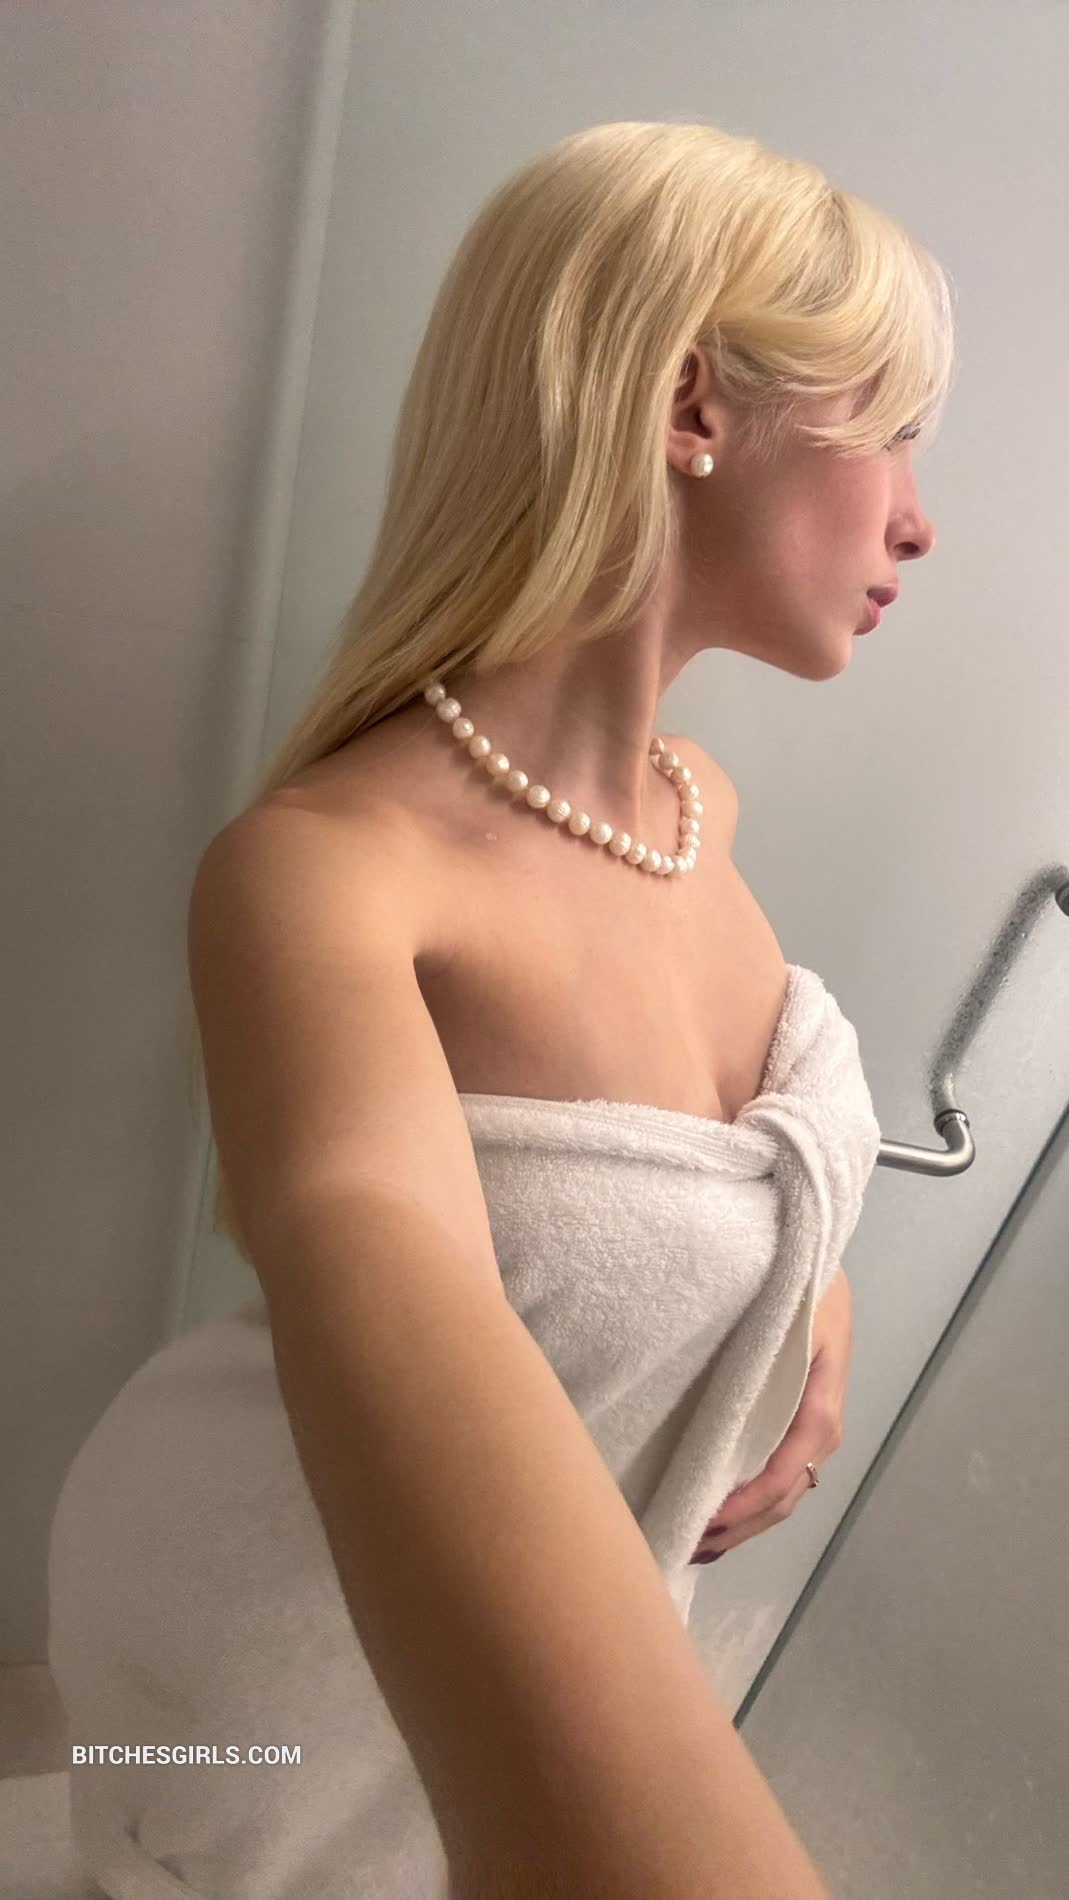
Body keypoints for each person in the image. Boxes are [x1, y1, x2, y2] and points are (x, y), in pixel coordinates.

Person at [48, 118, 951, 1898]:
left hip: (552, 1620)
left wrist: (810, 1292)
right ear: (689, 406)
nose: (918, 520)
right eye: (895, 430)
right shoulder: (324, 880)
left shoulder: (696, 813)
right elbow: (388, 1259)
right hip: (246, 1677)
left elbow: (706, 1159)